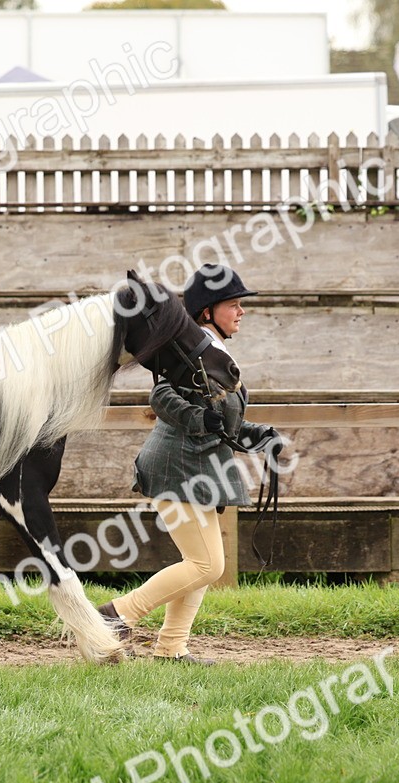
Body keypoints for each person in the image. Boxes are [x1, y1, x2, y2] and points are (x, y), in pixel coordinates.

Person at [99, 265, 281, 664]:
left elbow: (224, 420)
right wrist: (199, 420)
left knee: (200, 565)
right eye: (233, 305)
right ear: (206, 312)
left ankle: (170, 648)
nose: (241, 312)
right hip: (176, 467)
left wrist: (260, 435)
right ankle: (116, 616)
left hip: (197, 471)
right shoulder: (188, 351)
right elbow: (161, 394)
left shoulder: (214, 353)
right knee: (207, 565)